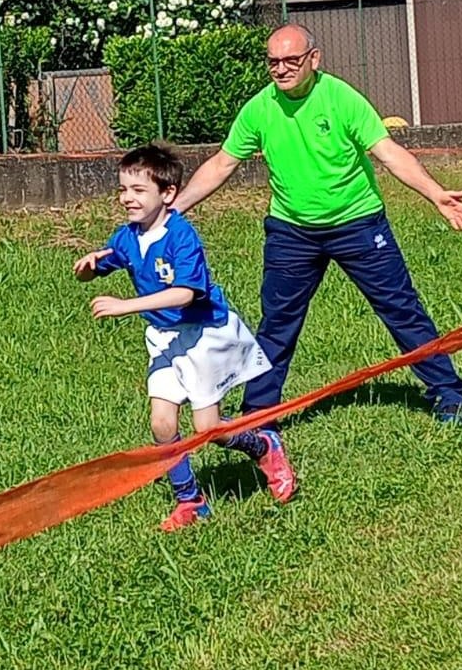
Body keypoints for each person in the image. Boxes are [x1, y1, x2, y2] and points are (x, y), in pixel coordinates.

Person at [172, 23, 462, 426]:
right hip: (291, 232)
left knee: (401, 310)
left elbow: (388, 152)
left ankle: (448, 393)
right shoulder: (260, 108)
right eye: (273, 62)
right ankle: (259, 415)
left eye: (291, 60)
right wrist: (175, 209)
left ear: (314, 59)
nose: (281, 69)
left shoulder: (341, 98)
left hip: (358, 224)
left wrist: (435, 194)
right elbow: (223, 163)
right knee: (277, 323)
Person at [74, 142, 297, 532]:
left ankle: (264, 446)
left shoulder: (181, 236)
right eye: (123, 189)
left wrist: (127, 305)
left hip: (202, 335)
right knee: (162, 424)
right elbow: (109, 259)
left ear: (168, 194)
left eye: (138, 190)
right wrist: (90, 268)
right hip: (163, 339)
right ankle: (191, 501)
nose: (127, 198)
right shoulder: (127, 236)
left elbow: (185, 293)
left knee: (208, 429)